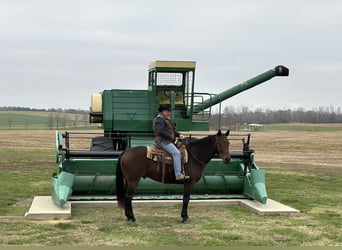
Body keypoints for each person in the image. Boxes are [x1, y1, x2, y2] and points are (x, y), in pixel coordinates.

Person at [154, 104, 190, 180]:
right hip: (163, 141)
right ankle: (178, 174)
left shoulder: (166, 119)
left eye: (170, 111)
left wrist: (179, 135)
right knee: (176, 153)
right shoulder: (160, 120)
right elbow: (160, 132)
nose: (169, 113)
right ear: (163, 111)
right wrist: (172, 138)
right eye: (168, 111)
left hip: (167, 140)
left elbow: (172, 131)